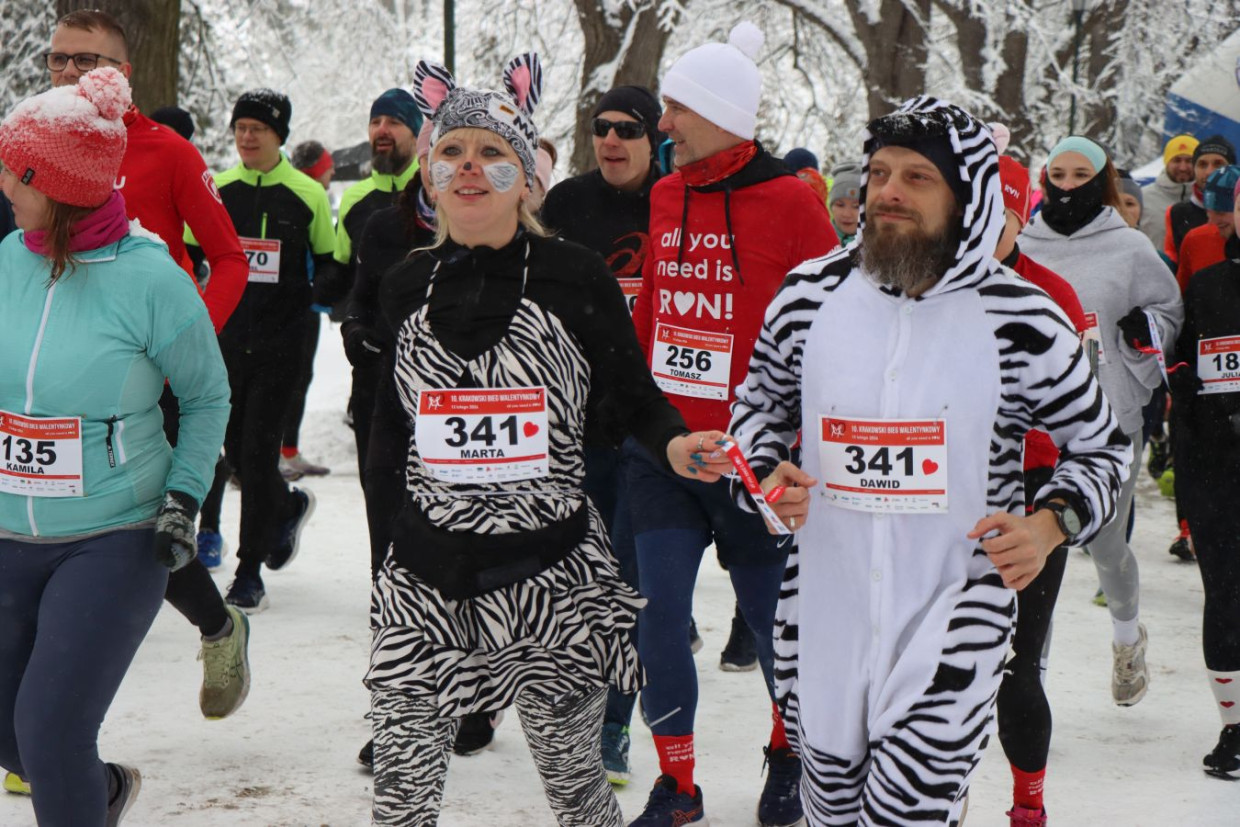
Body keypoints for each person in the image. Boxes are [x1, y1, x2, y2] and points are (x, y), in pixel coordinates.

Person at [729, 96, 1128, 826]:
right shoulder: (809, 294)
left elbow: (1103, 447)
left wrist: (1048, 525)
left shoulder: (1023, 315)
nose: (887, 190)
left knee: (910, 813)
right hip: (824, 608)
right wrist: (763, 473)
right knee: (828, 813)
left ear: (968, 194)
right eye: (880, 172)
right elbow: (757, 407)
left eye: (918, 177)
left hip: (956, 609)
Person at [362, 52, 726, 826]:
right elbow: (389, 441)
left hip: (550, 581)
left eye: (493, 153)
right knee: (398, 799)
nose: (469, 168)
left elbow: (634, 395)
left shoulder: (574, 275)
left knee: (577, 791)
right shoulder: (403, 287)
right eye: (452, 152)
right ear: (430, 175)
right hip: (425, 579)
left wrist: (674, 445)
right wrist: (389, 553)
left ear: (527, 177)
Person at [0, 69, 230, 826]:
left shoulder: (150, 278)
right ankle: (99, 794)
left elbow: (205, 396)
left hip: (114, 531)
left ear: (60, 186)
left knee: (51, 728)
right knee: (13, 734)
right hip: (8, 530)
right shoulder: (9, 259)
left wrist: (183, 497)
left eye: (16, 169)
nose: (3, 181)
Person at [628, 22, 838, 827]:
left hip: (756, 456)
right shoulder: (665, 192)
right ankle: (676, 784)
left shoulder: (791, 200)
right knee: (656, 619)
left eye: (676, 108)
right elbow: (652, 311)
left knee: (772, 627)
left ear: (717, 110)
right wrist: (640, 419)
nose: (664, 124)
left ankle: (789, 757)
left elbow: (833, 323)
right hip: (670, 450)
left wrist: (798, 445)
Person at [45, 7, 251, 728]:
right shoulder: (30, 144)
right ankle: (42, 721)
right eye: (58, 59)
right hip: (45, 375)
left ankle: (219, 627)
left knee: (138, 538)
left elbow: (228, 258)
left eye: (87, 60)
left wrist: (185, 344)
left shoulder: (165, 152)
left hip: (143, 379)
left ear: (123, 76)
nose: (69, 72)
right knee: (40, 538)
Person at [1020, 135, 1183, 706]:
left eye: (1080, 176)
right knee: (1037, 548)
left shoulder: (1130, 246)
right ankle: (1029, 679)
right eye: (1057, 175)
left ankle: (1126, 639)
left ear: (1103, 179)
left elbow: (1169, 311)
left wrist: (1148, 332)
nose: (1067, 186)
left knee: (1106, 544)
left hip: (1111, 414)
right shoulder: (1022, 243)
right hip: (1035, 424)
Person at [189, 89, 334, 613]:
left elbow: (333, 262)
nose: (247, 137)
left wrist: (309, 299)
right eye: (241, 128)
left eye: (258, 129)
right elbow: (188, 252)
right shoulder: (218, 189)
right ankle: (288, 505)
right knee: (232, 452)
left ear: (280, 136)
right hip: (224, 344)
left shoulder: (306, 194)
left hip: (280, 346)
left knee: (255, 452)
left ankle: (249, 572)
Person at [994, 154, 1089, 827]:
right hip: (934, 485)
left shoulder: (1051, 291)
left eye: (998, 216)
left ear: (1021, 218)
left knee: (1018, 661)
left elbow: (1089, 421)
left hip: (1029, 487)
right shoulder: (915, 282)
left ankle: (1029, 804)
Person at [1169, 176, 1240, 779]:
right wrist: (1182, 377)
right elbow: (1187, 357)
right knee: (1225, 599)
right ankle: (1235, 727)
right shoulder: (1212, 283)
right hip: (1219, 470)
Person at [314, 88, 422, 310]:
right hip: (369, 337)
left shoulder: (436, 193)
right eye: (375, 122)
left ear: (416, 134)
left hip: (425, 338)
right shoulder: (354, 198)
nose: (382, 129)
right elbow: (342, 269)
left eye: (394, 122)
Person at [276, 140, 338, 481]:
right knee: (288, 378)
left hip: (307, 303)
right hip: (298, 304)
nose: (333, 172)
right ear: (317, 169)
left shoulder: (312, 195)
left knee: (299, 378)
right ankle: (274, 452)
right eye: (328, 166)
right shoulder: (304, 195)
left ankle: (288, 450)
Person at [1165, 136, 1235, 263]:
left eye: (1218, 164)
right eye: (1202, 164)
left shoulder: (1236, 210)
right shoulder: (1177, 213)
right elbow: (1174, 261)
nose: (1209, 172)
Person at [1175, 165, 1239, 293]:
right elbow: (1181, 296)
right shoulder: (1195, 239)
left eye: (1221, 212)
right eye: (1209, 212)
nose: (1213, 221)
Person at [1139, 133, 1197, 250]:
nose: (1183, 167)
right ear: (1166, 162)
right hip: (1153, 267)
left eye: (1189, 161)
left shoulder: (1206, 200)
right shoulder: (1142, 197)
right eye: (1176, 160)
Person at [827, 161, 862, 246]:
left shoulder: (877, 247)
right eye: (840, 205)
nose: (846, 214)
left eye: (856, 207)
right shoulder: (819, 239)